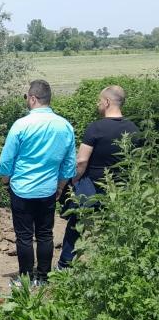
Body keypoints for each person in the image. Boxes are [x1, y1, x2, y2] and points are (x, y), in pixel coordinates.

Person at [0, 80, 76, 284]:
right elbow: (69, 163)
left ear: (33, 98)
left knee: (24, 236)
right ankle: (43, 277)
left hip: (22, 188)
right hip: (48, 189)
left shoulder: (21, 125)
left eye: (26, 97)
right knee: (45, 234)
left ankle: (25, 279)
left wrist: (5, 181)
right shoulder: (65, 126)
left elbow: (6, 160)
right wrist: (60, 186)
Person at [58, 85, 138, 269]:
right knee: (115, 227)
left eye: (99, 100)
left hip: (92, 187)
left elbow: (81, 161)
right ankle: (114, 265)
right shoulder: (133, 128)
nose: (97, 104)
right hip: (121, 189)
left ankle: (65, 266)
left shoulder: (96, 128)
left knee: (76, 223)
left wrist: (72, 182)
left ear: (107, 102)